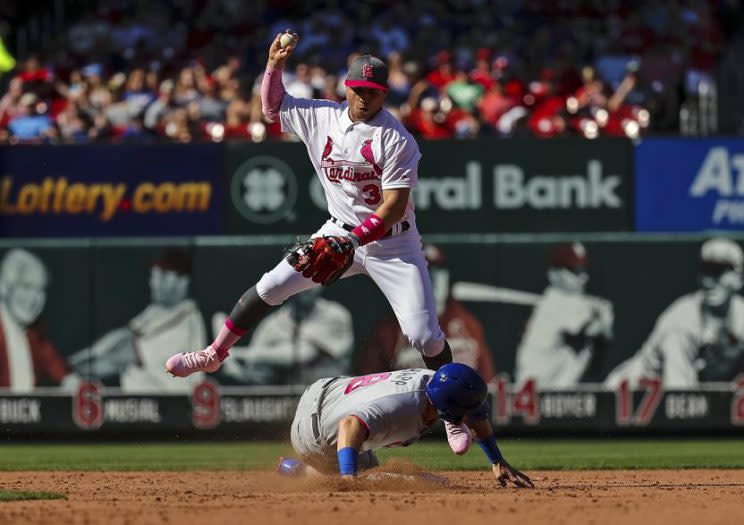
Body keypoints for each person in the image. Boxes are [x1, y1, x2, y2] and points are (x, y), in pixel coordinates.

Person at [166, 32, 468, 453]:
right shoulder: (321, 116)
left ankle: (455, 413)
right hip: (338, 229)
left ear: (383, 93)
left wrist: (355, 241)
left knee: (424, 335)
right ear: (345, 87)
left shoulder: (395, 138)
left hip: (393, 246)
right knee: (271, 286)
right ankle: (214, 354)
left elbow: (394, 208)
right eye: (358, 89)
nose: (364, 98)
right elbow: (272, 108)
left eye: (373, 91)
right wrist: (273, 65)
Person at [276, 363, 533, 488]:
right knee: (364, 478)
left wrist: (497, 460)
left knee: (365, 468)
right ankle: (300, 470)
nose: (473, 417)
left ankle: (299, 468)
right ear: (449, 411)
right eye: (465, 412)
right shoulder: (401, 407)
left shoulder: (438, 382)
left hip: (324, 391)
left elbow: (476, 418)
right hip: (315, 435)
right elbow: (349, 425)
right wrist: (349, 479)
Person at [605, 238, 744, 389]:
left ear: (739, 278)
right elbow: (679, 398)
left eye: (718, 272)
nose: (708, 281)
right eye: (705, 272)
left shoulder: (740, 314)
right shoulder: (682, 322)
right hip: (627, 397)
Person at [69, 248, 206, 393]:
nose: (155, 282)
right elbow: (121, 336)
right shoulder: (158, 310)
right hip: (142, 402)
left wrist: (68, 373)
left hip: (170, 406)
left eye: (164, 276)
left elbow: (124, 355)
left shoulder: (185, 324)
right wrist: (72, 361)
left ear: (183, 282)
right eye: (154, 275)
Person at [358, 244, 495, 382]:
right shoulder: (389, 329)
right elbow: (368, 382)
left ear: (448, 276)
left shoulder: (468, 324)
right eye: (425, 271)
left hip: (459, 401)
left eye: (439, 270)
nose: (432, 277)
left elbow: (487, 381)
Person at [514, 242, 613, 388]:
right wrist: (603, 313)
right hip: (536, 392)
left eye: (583, 270)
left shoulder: (557, 300)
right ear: (554, 274)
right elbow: (598, 331)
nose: (583, 278)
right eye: (575, 271)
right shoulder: (559, 301)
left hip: (544, 391)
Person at [217, 286, 353, 385]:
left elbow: (301, 354)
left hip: (333, 400)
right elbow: (259, 376)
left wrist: (235, 353)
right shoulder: (271, 325)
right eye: (299, 279)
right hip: (292, 410)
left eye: (313, 276)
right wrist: (237, 372)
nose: (306, 285)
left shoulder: (336, 316)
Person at [0, 249, 77, 391]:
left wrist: (76, 384)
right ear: (4, 287)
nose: (34, 298)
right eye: (26, 286)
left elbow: (58, 368)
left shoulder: (34, 333)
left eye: (40, 290)